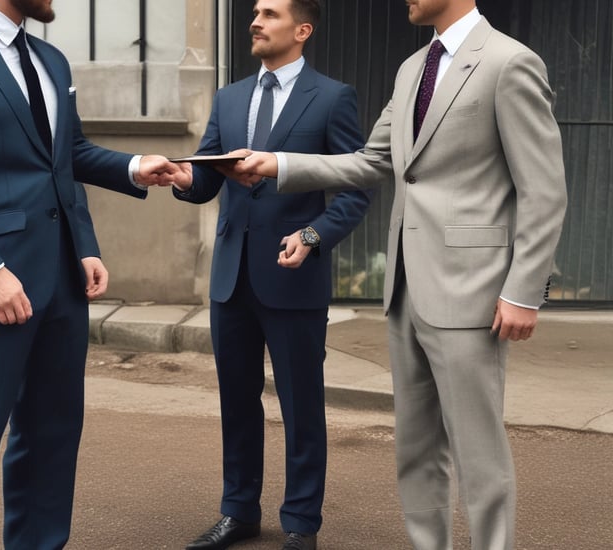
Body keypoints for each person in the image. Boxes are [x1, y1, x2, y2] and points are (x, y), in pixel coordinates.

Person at [233, 1, 568, 548]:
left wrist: (524, 291)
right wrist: (278, 163)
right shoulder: (413, 68)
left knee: (477, 452)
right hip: (406, 290)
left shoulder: (511, 62)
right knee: (415, 449)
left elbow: (544, 189)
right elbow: (372, 161)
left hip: (473, 290)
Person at [0, 0, 187, 548]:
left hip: (61, 280)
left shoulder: (51, 60)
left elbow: (64, 157)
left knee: (52, 437)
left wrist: (119, 187)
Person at [166, 1, 370, 548]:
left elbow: (356, 188)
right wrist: (184, 179)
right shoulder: (229, 97)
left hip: (294, 277)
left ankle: (301, 524)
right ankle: (239, 511)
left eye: (269, 13)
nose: (254, 21)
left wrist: (312, 237)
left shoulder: (332, 98)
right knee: (237, 400)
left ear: (302, 30)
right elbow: (208, 179)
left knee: (302, 406)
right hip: (231, 277)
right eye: (254, 11)